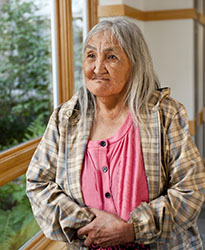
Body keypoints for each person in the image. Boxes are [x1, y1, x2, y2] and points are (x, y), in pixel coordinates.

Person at [26, 17, 205, 250]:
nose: (98, 67)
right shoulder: (66, 118)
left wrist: (132, 230)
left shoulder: (165, 114)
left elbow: (191, 190)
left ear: (135, 63)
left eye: (111, 57)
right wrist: (91, 226)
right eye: (91, 55)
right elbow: (37, 183)